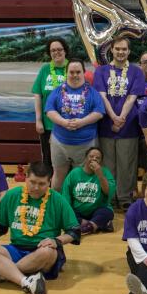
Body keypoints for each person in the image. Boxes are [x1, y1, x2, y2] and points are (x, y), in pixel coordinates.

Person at [0, 161, 80, 294]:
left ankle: (0, 273)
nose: (36, 187)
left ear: (49, 182)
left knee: (48, 252)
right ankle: (25, 281)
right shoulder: (12, 195)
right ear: (26, 178)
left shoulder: (58, 200)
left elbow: (74, 231)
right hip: (16, 249)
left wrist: (56, 240)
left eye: (41, 184)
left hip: (41, 251)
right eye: (32, 182)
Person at [94, 37, 145, 210]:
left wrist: (121, 117)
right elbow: (101, 96)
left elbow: (132, 97)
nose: (120, 52)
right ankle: (109, 197)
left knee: (127, 164)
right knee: (108, 164)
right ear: (112, 50)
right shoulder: (101, 71)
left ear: (129, 51)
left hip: (128, 125)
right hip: (105, 125)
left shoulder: (136, 72)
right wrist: (113, 117)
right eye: (117, 49)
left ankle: (124, 198)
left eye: (124, 49)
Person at [44, 58, 106, 191]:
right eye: (71, 72)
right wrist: (64, 122)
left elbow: (99, 112)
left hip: (86, 144)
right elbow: (49, 110)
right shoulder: (57, 91)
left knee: (82, 178)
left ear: (84, 73)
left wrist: (81, 122)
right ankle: (56, 204)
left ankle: (78, 208)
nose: (75, 75)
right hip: (60, 143)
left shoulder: (92, 92)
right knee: (58, 176)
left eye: (78, 72)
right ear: (67, 73)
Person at [62, 146, 116, 235]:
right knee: (67, 214)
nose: (94, 159)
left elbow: (108, 191)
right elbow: (66, 194)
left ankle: (87, 227)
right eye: (91, 156)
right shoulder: (75, 173)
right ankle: (96, 225)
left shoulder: (105, 172)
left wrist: (100, 174)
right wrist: (67, 212)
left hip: (97, 209)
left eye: (97, 158)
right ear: (86, 158)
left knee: (107, 213)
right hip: (78, 211)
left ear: (101, 161)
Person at [31, 37, 68, 167]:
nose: (56, 53)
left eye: (59, 49)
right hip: (47, 124)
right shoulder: (44, 69)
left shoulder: (72, 68)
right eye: (53, 50)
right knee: (48, 159)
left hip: (67, 124)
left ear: (65, 51)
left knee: (67, 159)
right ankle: (49, 187)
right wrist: (38, 120)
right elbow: (38, 95)